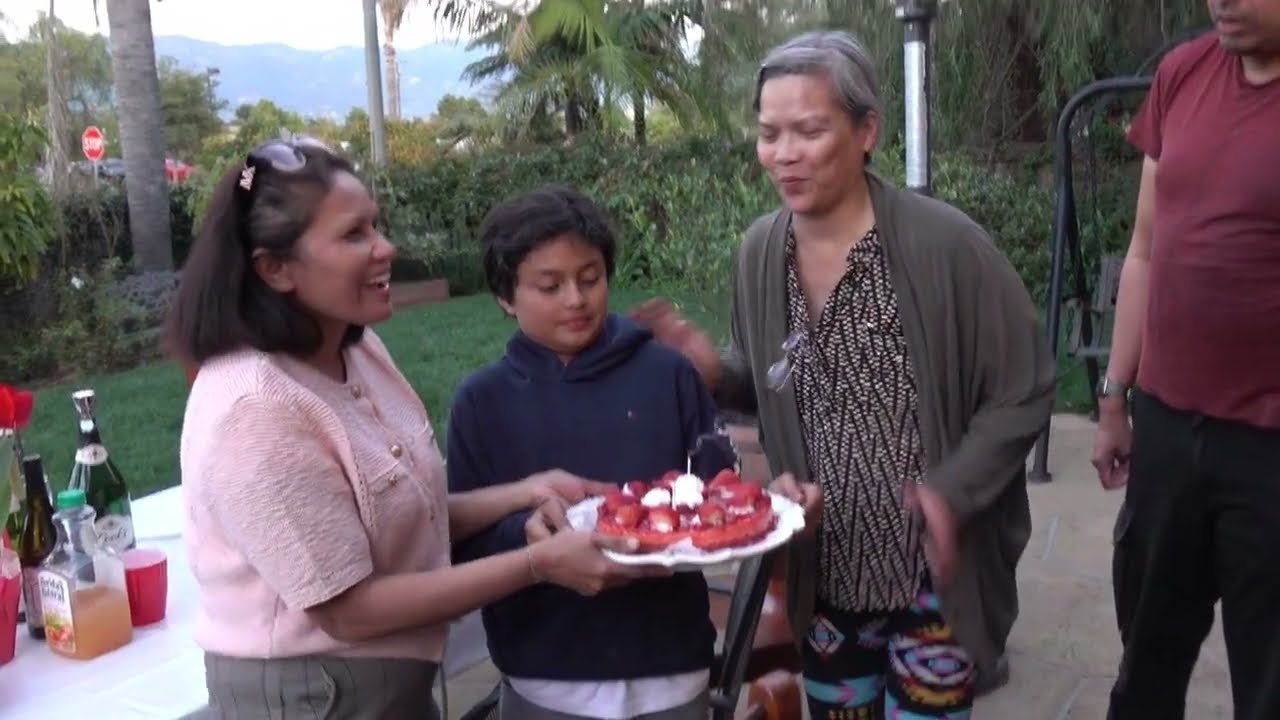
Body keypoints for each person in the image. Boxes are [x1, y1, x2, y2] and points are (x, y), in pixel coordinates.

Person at [633, 30, 1056, 720]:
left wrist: (952, 492)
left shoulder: (944, 246)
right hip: (825, 562)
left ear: (866, 132)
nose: (784, 153)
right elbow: (775, 373)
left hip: (927, 571)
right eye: (769, 133)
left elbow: (1025, 386)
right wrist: (717, 371)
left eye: (808, 130)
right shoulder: (760, 250)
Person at [166, 139, 664, 719]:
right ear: (275, 269)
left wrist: (529, 490)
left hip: (381, 685)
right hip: (312, 698)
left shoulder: (357, 348)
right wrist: (539, 565)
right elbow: (348, 610)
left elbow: (398, 516)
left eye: (375, 226)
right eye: (354, 235)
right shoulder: (255, 407)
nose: (386, 248)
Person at [447, 183, 736, 720]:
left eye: (590, 278)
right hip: (544, 673)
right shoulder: (482, 402)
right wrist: (530, 536)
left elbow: (718, 486)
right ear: (506, 297)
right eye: (549, 285)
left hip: (669, 664)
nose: (576, 300)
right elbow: (463, 541)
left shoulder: (667, 375)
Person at [1091, 4, 1280, 718]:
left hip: (1270, 447)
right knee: (1147, 661)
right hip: (1169, 428)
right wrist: (1114, 398)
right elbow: (1144, 248)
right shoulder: (1181, 74)